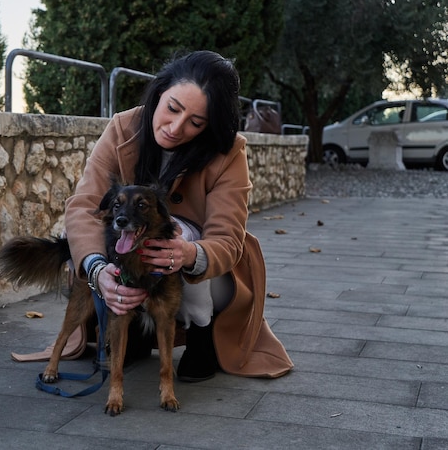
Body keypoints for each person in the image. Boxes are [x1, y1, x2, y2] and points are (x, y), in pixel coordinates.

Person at [64, 50, 293, 382]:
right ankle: (134, 326)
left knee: (183, 236)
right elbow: (83, 206)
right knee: (84, 248)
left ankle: (204, 336)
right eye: (172, 108)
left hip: (207, 277)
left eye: (196, 123)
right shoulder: (122, 127)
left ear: (210, 124)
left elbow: (227, 239)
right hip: (128, 255)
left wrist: (189, 254)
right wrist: (97, 270)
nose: (175, 127)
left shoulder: (229, 152)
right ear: (159, 93)